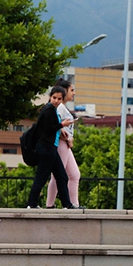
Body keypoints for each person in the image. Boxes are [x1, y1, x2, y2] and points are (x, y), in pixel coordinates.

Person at [26, 86, 80, 209]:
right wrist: (62, 125)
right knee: (42, 176)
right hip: (46, 148)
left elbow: (52, 128)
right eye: (54, 97)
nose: (56, 100)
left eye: (59, 99)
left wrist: (61, 129)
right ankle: (31, 204)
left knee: (62, 176)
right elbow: (49, 129)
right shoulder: (49, 110)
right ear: (50, 97)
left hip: (51, 148)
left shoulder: (52, 109)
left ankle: (67, 204)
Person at [45, 79, 81, 208]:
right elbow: (53, 123)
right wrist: (64, 135)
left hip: (66, 144)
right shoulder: (59, 108)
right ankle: (50, 204)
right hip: (61, 144)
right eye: (71, 90)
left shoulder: (63, 108)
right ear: (64, 91)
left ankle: (74, 204)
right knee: (58, 174)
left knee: (74, 174)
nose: (73, 93)